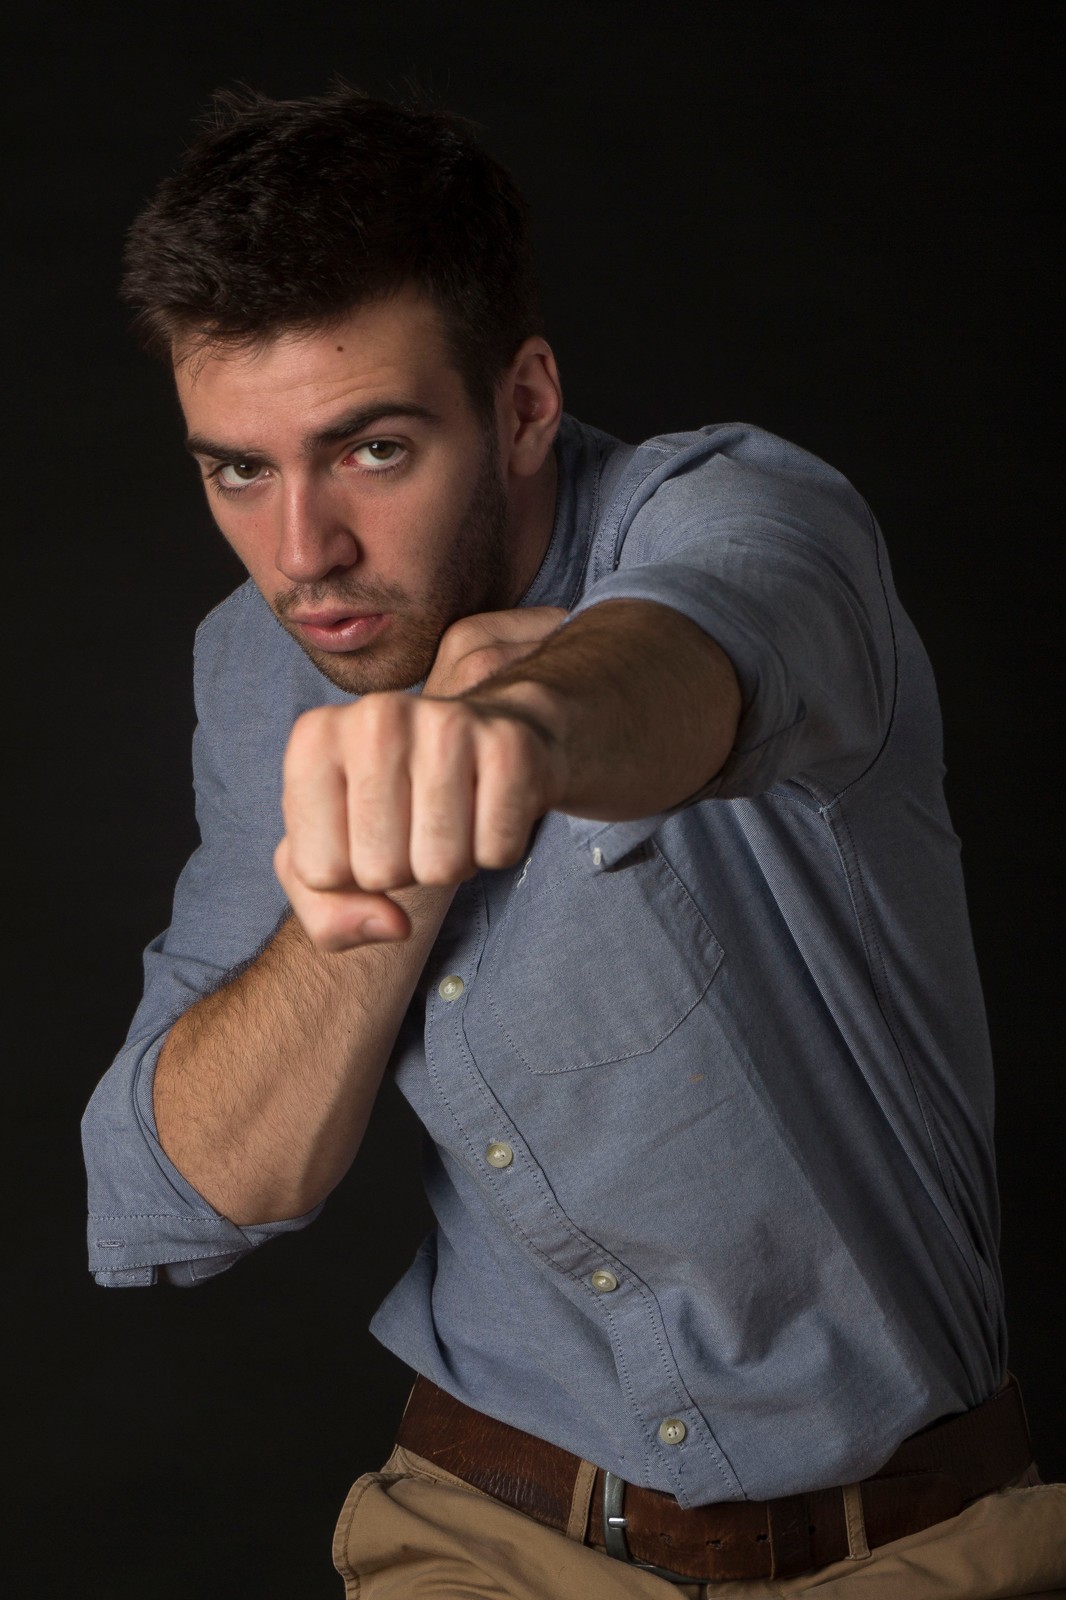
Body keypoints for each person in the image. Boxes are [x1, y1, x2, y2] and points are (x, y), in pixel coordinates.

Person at [81, 87, 1065, 1597]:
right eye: (239, 470)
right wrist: (392, 870)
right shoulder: (255, 663)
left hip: (904, 1542)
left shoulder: (750, 513)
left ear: (525, 402)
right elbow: (184, 1192)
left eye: (373, 450)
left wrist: (511, 735)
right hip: (481, 1525)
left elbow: (691, 651)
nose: (304, 554)